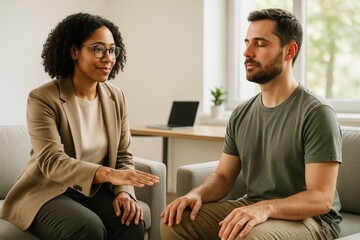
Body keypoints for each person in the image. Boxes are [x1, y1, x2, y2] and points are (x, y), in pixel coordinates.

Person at [160, 8, 342, 240]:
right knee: (174, 221)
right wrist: (196, 194)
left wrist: (265, 208)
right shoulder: (241, 113)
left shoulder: (317, 112)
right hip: (255, 206)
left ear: (289, 51)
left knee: (248, 237)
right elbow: (224, 177)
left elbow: (321, 198)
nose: (247, 52)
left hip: (312, 220)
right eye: (247, 42)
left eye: (260, 44)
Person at [0, 13, 160, 240]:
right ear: (74, 51)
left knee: (131, 222)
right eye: (98, 49)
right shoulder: (43, 98)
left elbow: (123, 155)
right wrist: (108, 174)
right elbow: (52, 162)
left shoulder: (116, 96)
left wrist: (124, 192)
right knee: (88, 228)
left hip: (91, 191)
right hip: (48, 191)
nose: (108, 58)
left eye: (112, 50)